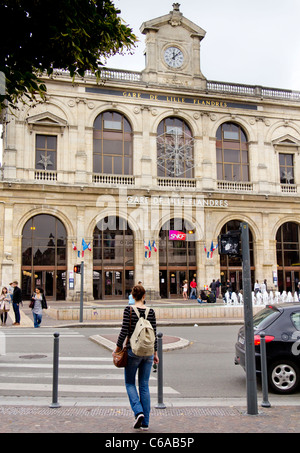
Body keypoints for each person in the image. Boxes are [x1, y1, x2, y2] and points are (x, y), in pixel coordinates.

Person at [113, 285, 159, 431]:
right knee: (144, 385)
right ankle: (145, 423)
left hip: (134, 351)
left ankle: (138, 412)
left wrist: (118, 348)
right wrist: (155, 353)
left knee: (130, 383)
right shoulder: (151, 311)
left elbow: (124, 330)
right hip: (148, 353)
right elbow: (154, 334)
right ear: (144, 296)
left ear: (132, 296)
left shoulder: (129, 310)